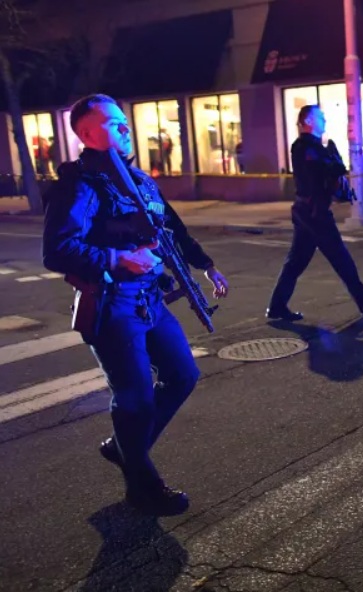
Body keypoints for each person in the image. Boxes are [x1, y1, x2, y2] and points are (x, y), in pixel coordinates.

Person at [42, 94, 230, 516]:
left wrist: (206, 265)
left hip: (150, 299)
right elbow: (57, 250)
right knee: (135, 399)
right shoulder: (81, 184)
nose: (126, 128)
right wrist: (117, 258)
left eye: (123, 120)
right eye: (113, 123)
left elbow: (172, 229)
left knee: (183, 375)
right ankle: (142, 487)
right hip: (112, 305)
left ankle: (126, 448)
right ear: (87, 134)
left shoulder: (138, 179)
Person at [266, 105, 363, 321]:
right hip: (313, 212)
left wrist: (333, 160)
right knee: (340, 258)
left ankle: (276, 307)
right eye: (320, 117)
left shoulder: (315, 147)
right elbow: (325, 170)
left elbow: (331, 171)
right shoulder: (302, 147)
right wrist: (334, 161)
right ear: (308, 121)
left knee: (296, 262)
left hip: (309, 211)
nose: (324, 120)